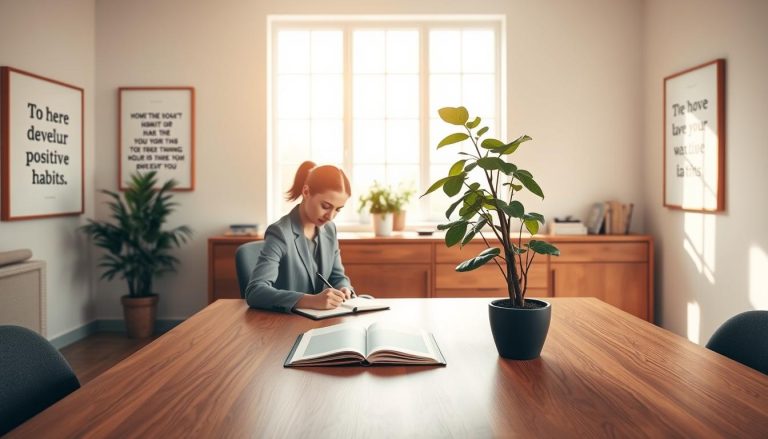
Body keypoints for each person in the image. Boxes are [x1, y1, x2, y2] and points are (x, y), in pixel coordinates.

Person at [245, 161, 355, 313]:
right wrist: (312, 300)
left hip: (322, 322)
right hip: (284, 326)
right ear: (306, 192)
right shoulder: (280, 233)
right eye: (326, 206)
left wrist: (344, 289)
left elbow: (337, 276)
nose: (331, 216)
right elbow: (255, 292)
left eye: (338, 210)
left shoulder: (329, 229)